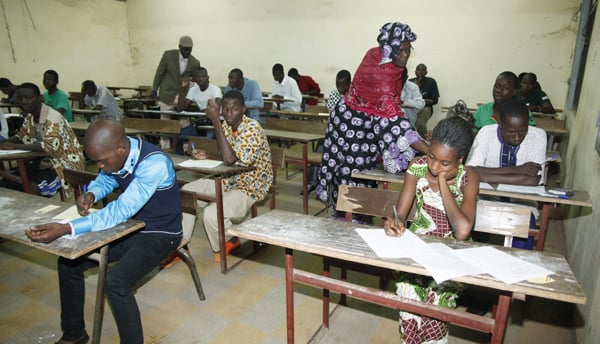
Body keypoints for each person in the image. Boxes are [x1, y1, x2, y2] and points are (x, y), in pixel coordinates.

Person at [25, 119, 183, 344]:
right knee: (69, 262)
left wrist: (66, 228)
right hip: (131, 227)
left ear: (120, 148)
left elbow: (119, 211)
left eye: (101, 160)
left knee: (116, 282)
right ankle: (74, 333)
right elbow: (107, 178)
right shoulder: (116, 156)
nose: (99, 165)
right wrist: (92, 194)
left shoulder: (154, 163)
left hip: (161, 233)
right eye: (95, 161)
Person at [316, 22, 428, 218]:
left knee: (363, 173)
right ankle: (348, 224)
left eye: (408, 50)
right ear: (389, 48)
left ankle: (355, 220)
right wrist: (429, 150)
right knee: (352, 176)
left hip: (363, 124)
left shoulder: (381, 58)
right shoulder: (382, 75)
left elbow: (388, 111)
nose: (405, 55)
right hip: (350, 125)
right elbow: (395, 122)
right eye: (401, 51)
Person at [384, 116, 479, 344]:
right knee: (409, 308)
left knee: (433, 318)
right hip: (417, 250)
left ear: (461, 159)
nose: (434, 167)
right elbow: (401, 213)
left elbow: (463, 230)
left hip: (450, 256)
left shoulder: (469, 178)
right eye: (432, 157)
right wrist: (394, 222)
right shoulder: (417, 167)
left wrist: (444, 183)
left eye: (445, 163)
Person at [182, 90, 272, 261]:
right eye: (225, 109)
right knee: (187, 192)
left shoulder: (252, 128)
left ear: (244, 109)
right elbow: (227, 157)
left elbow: (230, 159)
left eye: (235, 108)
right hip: (228, 178)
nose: (229, 113)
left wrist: (215, 119)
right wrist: (208, 156)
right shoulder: (227, 126)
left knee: (211, 214)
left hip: (250, 186)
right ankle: (182, 242)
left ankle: (230, 239)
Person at [0, 83, 85, 197]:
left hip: (64, 164)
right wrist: (3, 143)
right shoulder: (30, 117)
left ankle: (37, 209)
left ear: (40, 98)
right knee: (9, 182)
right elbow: (21, 136)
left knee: (35, 186)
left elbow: (49, 147)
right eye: (20, 98)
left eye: (28, 97)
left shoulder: (52, 117)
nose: (24, 101)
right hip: (44, 161)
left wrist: (14, 146)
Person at [467, 99, 547, 185]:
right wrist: (518, 170)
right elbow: (469, 170)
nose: (517, 138)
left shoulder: (538, 136)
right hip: (486, 194)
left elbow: (533, 180)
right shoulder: (486, 133)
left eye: (523, 131)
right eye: (510, 132)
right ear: (500, 123)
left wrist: (483, 176)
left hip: (522, 197)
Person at [152, 35, 201, 148]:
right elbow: (159, 73)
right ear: (179, 47)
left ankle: (184, 149)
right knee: (165, 123)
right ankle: (165, 149)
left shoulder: (195, 62)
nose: (187, 52)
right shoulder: (168, 55)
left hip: (182, 96)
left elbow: (194, 80)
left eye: (189, 50)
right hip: (167, 94)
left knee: (184, 123)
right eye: (184, 49)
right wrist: (155, 89)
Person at [176, 67, 222, 153]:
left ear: (208, 78)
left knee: (208, 143)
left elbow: (216, 108)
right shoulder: (193, 90)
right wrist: (182, 89)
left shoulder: (215, 89)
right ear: (195, 79)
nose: (200, 78)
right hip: (199, 123)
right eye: (198, 77)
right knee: (179, 136)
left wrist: (201, 112)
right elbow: (181, 107)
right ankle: (180, 160)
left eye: (203, 76)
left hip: (214, 124)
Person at [410, 63, 439, 138]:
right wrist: (416, 87)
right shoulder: (410, 82)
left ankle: (423, 140)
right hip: (412, 107)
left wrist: (422, 102)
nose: (420, 72)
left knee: (419, 124)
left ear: (426, 72)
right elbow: (406, 98)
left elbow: (435, 101)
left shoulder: (431, 82)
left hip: (426, 108)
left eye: (423, 70)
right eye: (418, 70)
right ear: (415, 72)